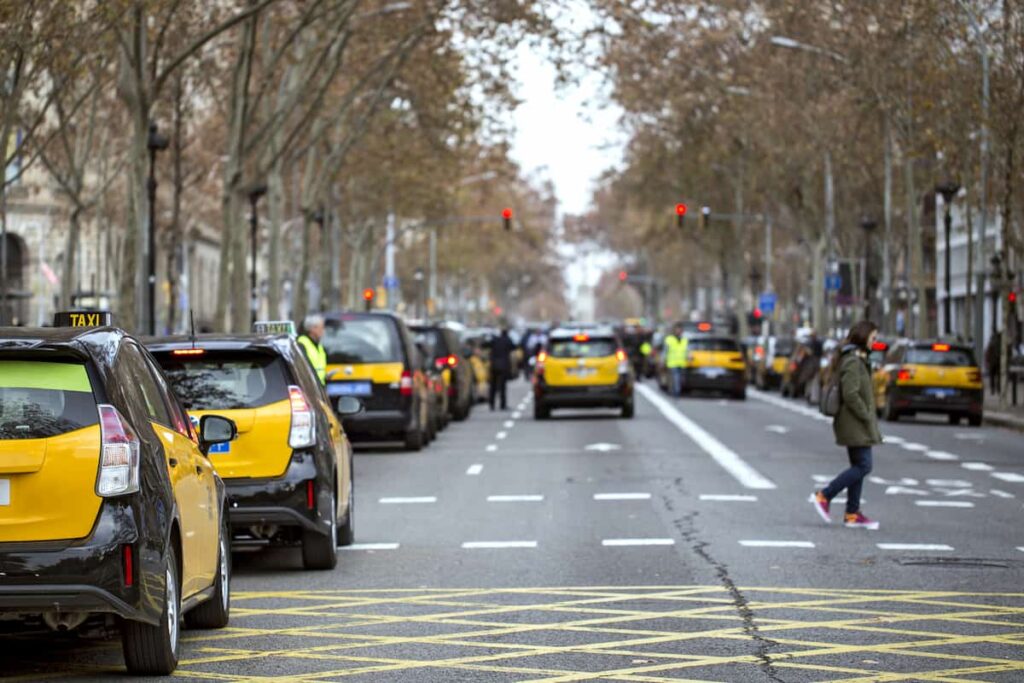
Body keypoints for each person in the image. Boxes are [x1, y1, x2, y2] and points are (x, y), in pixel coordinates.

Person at [810, 319, 882, 530]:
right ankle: (825, 495)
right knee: (864, 465)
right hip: (854, 423)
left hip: (855, 422)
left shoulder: (858, 359)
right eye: (873, 338)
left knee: (858, 466)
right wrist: (866, 414)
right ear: (863, 337)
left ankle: (852, 513)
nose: (875, 342)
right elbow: (850, 393)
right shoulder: (852, 361)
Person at [489, 325, 515, 410]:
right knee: (502, 387)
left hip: (494, 366)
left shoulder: (495, 340)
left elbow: (486, 345)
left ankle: (491, 404)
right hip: (504, 366)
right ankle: (502, 405)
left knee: (493, 386)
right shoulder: (507, 340)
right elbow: (514, 347)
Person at [297, 314, 327, 384]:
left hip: (319, 386)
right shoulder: (302, 343)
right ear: (313, 329)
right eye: (321, 328)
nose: (323, 331)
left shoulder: (318, 345)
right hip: (309, 386)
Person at [665, 324, 687, 396]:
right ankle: (676, 392)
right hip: (672, 362)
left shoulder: (684, 339)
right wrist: (664, 360)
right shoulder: (669, 339)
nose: (678, 331)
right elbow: (665, 351)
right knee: (675, 377)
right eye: (677, 329)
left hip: (682, 363)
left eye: (680, 330)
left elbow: (687, 350)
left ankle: (675, 390)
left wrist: (689, 356)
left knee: (679, 378)